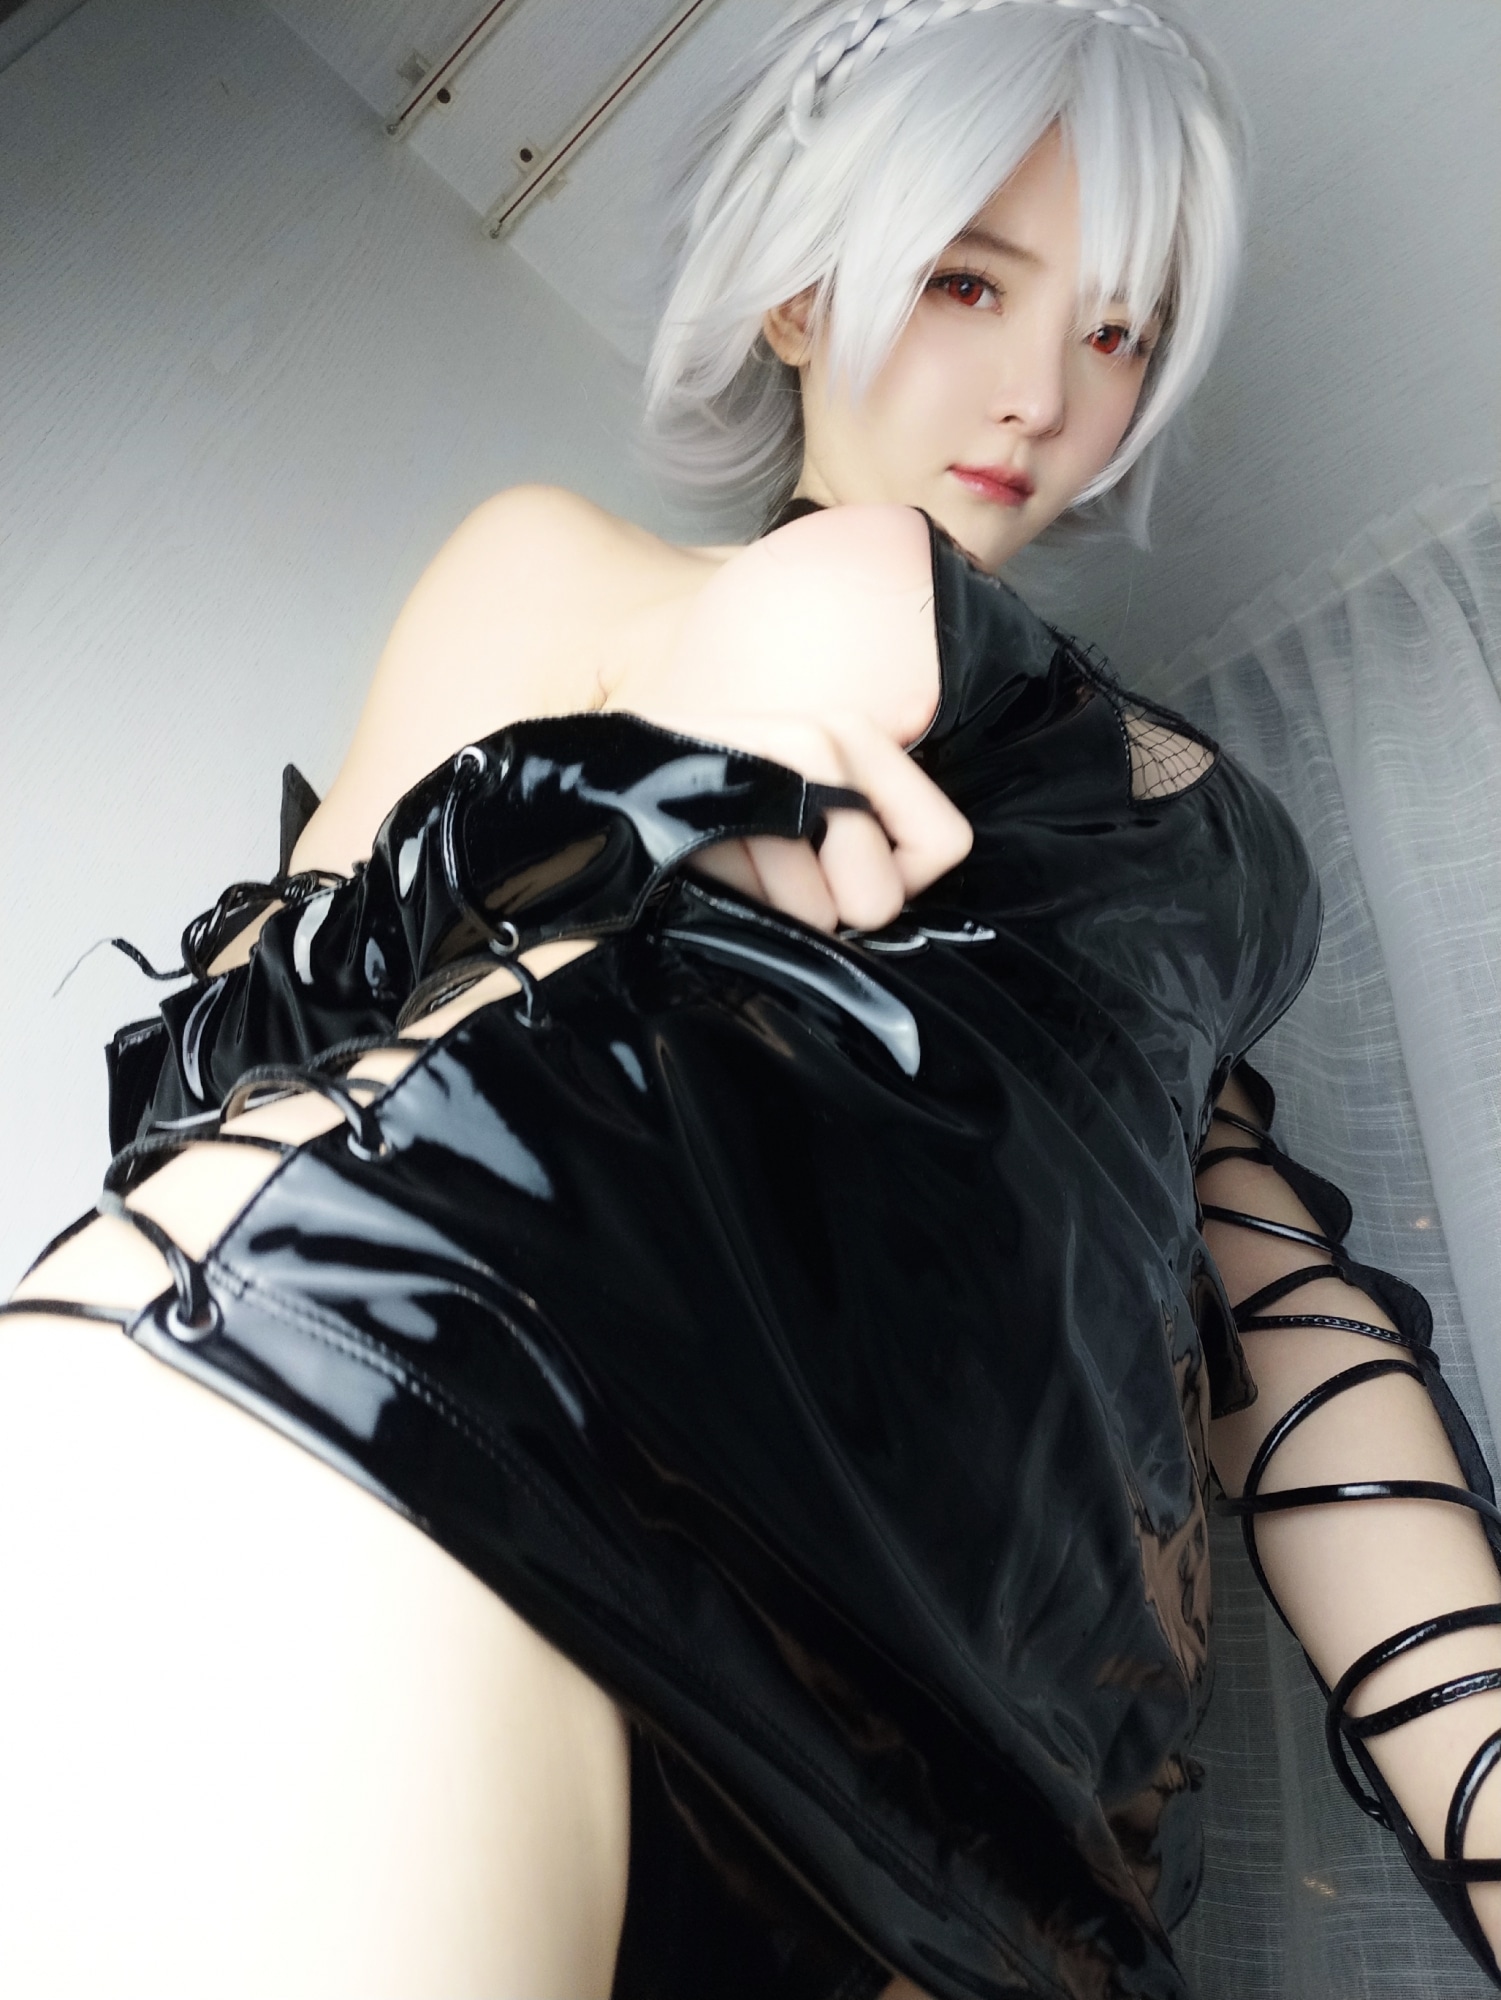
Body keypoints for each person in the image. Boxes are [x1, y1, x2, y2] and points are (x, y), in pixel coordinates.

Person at [2, 0, 1500, 1994]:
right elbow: (211, 1066)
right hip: (435, 1403)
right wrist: (616, 791)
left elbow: (1290, 1357)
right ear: (800, 293)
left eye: (1116, 332)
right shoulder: (581, 573)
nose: (1041, 396)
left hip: (988, 1796)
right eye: (966, 279)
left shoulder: (1179, 870)